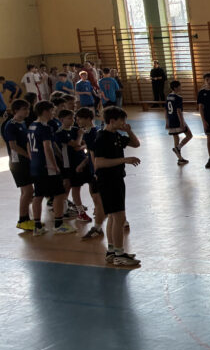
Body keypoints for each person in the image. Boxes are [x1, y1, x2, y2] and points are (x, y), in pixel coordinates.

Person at [91, 106, 140, 265]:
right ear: (112, 121)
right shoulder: (102, 138)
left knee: (113, 216)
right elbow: (99, 163)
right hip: (108, 180)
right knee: (119, 217)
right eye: (122, 121)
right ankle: (119, 254)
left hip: (117, 178)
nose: (124, 123)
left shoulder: (116, 135)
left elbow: (136, 144)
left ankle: (111, 251)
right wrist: (125, 160)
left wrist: (129, 131)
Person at [28, 101, 72, 236]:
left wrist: (33, 159)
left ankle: (37, 226)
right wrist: (54, 164)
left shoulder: (32, 126)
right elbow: (48, 147)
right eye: (52, 111)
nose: (53, 113)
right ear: (45, 111)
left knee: (38, 195)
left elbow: (28, 146)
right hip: (47, 167)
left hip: (35, 165)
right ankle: (58, 225)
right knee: (59, 194)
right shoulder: (45, 128)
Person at [77, 107, 107, 240]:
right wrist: (83, 164)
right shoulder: (89, 132)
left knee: (99, 200)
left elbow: (94, 154)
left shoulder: (92, 133)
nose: (78, 121)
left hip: (96, 171)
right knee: (97, 198)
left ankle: (98, 227)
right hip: (92, 169)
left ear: (89, 119)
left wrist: (96, 171)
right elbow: (90, 154)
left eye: (80, 119)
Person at [4, 99, 34, 231]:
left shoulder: (23, 123)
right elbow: (13, 146)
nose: (27, 111)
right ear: (16, 111)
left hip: (25, 161)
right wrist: (28, 156)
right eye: (24, 109)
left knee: (25, 191)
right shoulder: (10, 125)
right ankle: (22, 219)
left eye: (28, 109)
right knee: (28, 191)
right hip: (17, 163)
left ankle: (27, 218)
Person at [166, 80, 192, 165]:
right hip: (177, 120)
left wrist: (167, 121)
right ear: (175, 87)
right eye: (180, 86)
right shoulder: (178, 97)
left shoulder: (168, 97)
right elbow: (178, 111)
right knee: (189, 135)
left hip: (171, 120)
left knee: (176, 138)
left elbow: (166, 110)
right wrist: (182, 122)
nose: (181, 87)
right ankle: (178, 148)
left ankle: (180, 159)